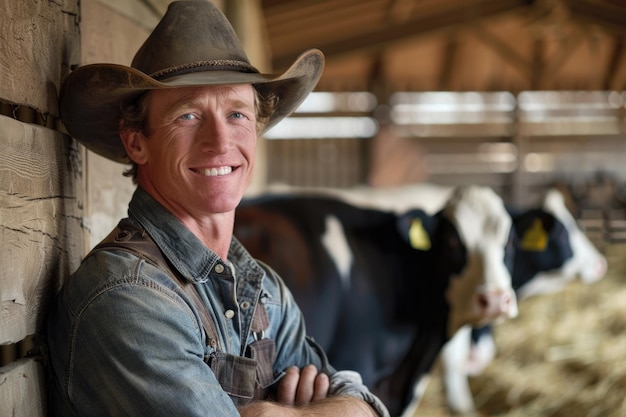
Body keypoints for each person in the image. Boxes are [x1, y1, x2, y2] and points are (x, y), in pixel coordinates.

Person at [45, 1, 389, 417]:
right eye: (188, 115)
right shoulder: (125, 298)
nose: (221, 142)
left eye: (237, 114)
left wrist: (275, 415)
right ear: (137, 142)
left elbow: (365, 408)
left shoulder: (264, 291)